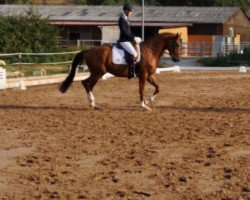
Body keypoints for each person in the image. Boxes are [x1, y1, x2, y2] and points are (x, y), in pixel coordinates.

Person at [118, 3, 141, 78]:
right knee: (134, 54)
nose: (131, 13)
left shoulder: (126, 19)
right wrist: (133, 38)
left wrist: (135, 37)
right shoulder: (122, 19)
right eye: (131, 11)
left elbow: (129, 32)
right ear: (126, 11)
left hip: (128, 40)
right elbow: (124, 32)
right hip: (124, 40)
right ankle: (131, 72)